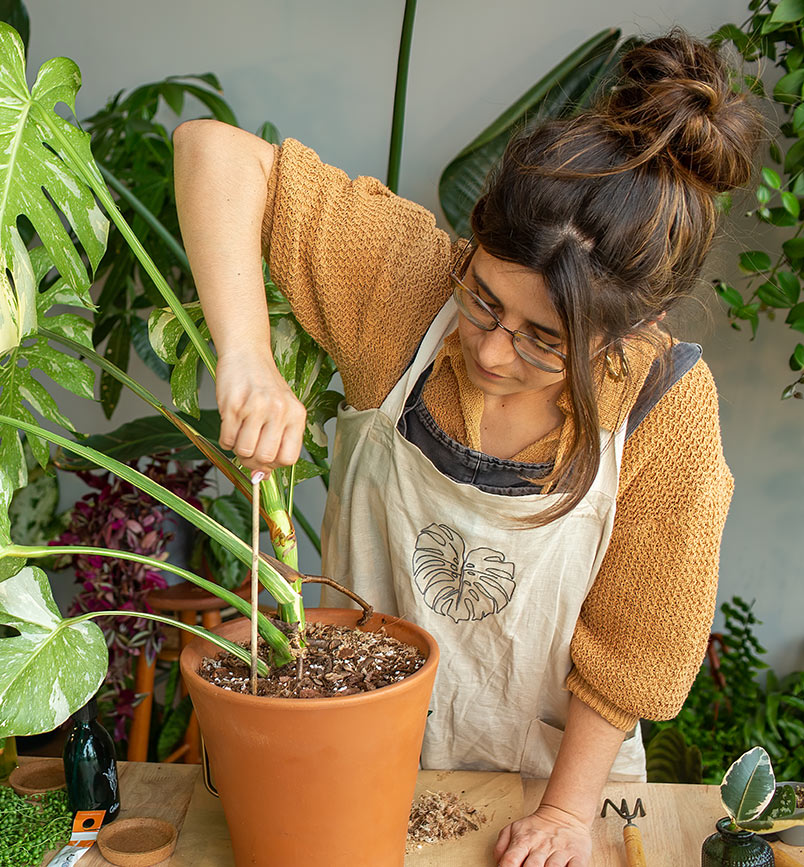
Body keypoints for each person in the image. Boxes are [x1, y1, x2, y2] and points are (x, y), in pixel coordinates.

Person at [172, 31, 760, 867]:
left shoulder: (664, 410)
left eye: (545, 342)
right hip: (351, 753)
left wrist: (563, 813)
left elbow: (636, 646)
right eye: (483, 301)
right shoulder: (407, 288)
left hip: (552, 782)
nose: (489, 351)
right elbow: (215, 151)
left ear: (632, 329)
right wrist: (247, 358)